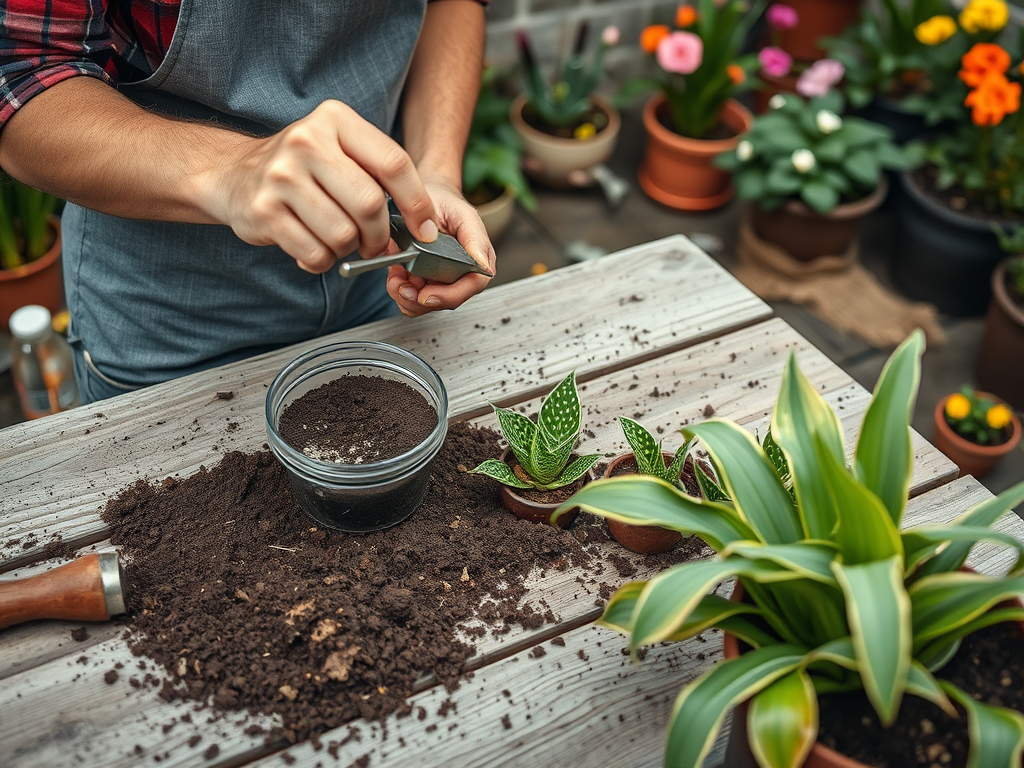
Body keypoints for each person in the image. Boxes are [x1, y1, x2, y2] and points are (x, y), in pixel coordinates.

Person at [0, 0, 495, 403]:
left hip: (376, 289)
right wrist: (231, 170)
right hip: (169, 334)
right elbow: (22, 72)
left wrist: (436, 171)